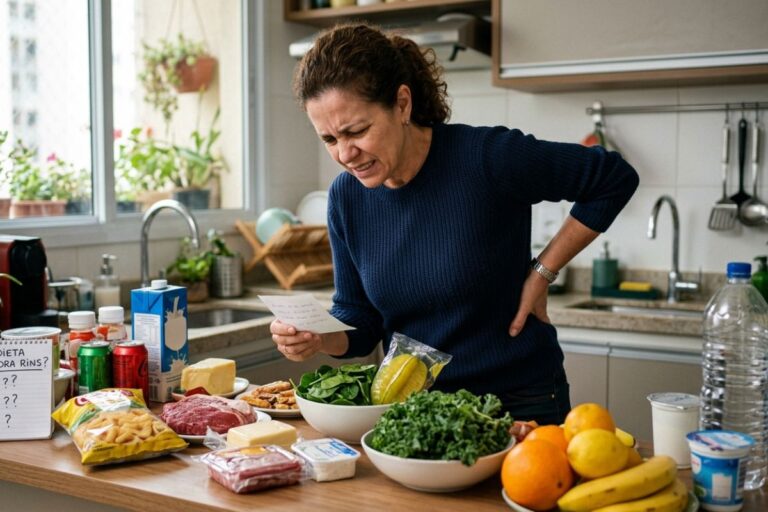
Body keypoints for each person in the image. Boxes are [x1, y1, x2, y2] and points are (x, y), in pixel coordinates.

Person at [270, 23, 639, 425]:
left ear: (402, 104)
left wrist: (542, 272)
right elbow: (361, 320)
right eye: (328, 139)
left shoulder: (485, 158)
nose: (345, 153)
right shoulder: (346, 197)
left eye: (356, 131)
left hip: (519, 402)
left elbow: (612, 178)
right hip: (419, 414)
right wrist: (319, 338)